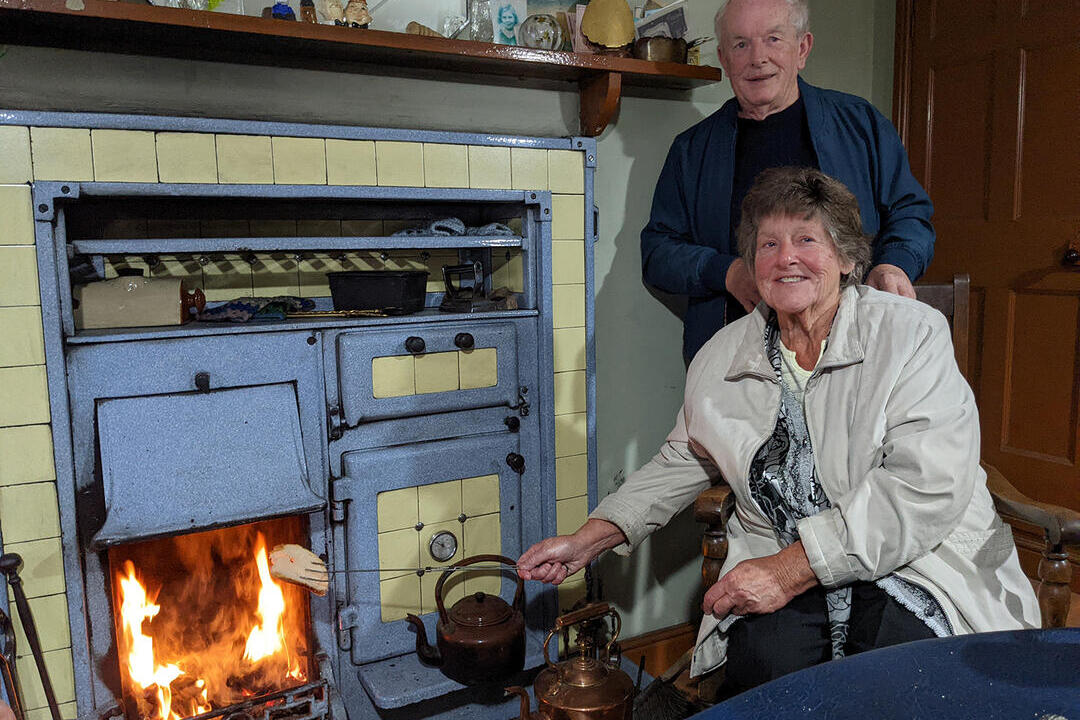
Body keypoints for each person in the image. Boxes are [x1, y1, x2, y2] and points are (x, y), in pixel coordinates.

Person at [519, 167, 1039, 694]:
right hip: (779, 550)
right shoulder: (720, 356)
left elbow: (924, 485)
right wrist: (590, 540)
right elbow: (684, 458)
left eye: (807, 239)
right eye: (769, 243)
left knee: (896, 672)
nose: (786, 257)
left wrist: (790, 570)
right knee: (766, 670)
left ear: (847, 258)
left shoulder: (910, 334)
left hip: (915, 556)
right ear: (751, 264)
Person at [641, 0, 935, 364]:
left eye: (774, 39)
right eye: (741, 44)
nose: (757, 57)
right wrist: (728, 272)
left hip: (856, 354)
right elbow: (657, 253)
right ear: (723, 57)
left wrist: (894, 264)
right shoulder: (691, 150)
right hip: (734, 361)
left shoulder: (862, 126)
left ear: (803, 48)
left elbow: (911, 214)